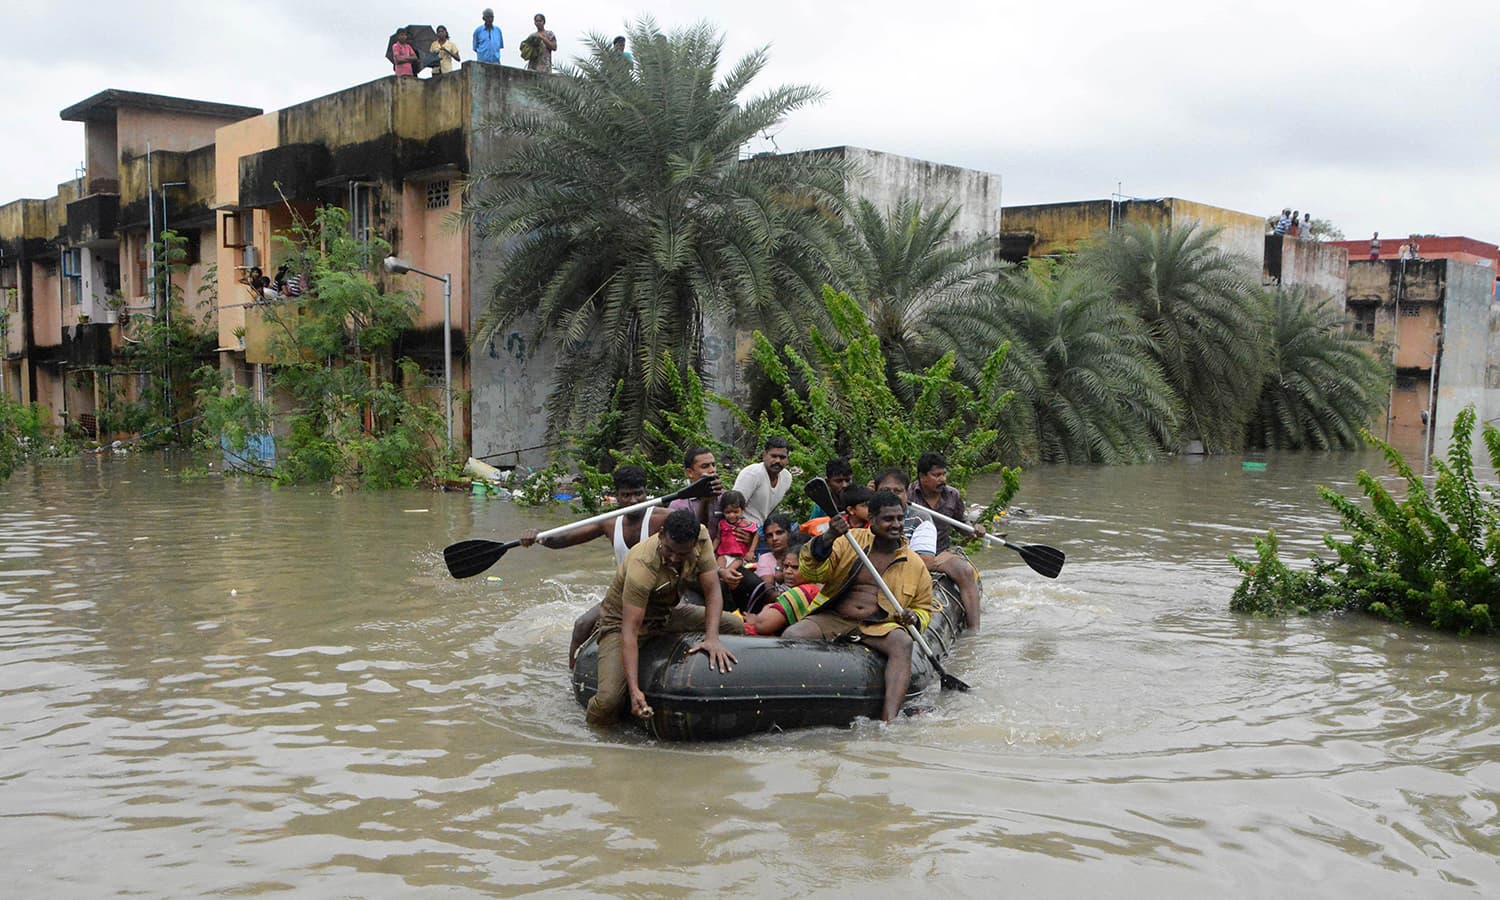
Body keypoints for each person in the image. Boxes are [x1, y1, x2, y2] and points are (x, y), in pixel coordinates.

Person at [788, 491, 938, 722]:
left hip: (879, 625)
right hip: (835, 617)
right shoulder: (850, 541)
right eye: (888, 519)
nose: (896, 524)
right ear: (873, 519)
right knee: (793, 634)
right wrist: (828, 537)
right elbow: (811, 571)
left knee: (903, 642)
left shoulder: (915, 564)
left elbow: (923, 607)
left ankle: (889, 720)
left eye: (899, 518)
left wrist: (914, 618)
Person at [586, 509, 741, 726]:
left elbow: (713, 591)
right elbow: (630, 630)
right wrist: (634, 690)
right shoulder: (643, 565)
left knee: (735, 625)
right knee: (609, 700)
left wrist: (712, 638)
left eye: (682, 554)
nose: (674, 558)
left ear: (695, 544)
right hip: (621, 623)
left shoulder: (702, 537)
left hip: (666, 615)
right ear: (660, 535)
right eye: (669, 550)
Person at [518, 466, 668, 666]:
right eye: (626, 495)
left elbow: (695, 530)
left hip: (658, 590)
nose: (633, 501)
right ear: (616, 496)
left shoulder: (663, 517)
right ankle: (573, 673)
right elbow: (565, 539)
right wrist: (539, 537)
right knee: (582, 625)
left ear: (646, 492)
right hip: (625, 593)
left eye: (638, 494)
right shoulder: (609, 523)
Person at [907, 452, 985, 631]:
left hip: (940, 553)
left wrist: (974, 530)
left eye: (943, 474)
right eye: (936, 475)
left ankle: (974, 630)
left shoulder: (952, 495)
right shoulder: (908, 494)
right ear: (922, 477)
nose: (942, 479)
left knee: (965, 571)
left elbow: (961, 525)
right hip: (912, 552)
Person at [746, 543, 821, 636]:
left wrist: (757, 618)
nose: (788, 571)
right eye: (786, 566)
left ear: (810, 568)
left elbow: (762, 625)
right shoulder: (802, 588)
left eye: (795, 567)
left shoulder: (807, 591)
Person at [732, 437, 792, 529]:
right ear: (764, 455)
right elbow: (732, 509)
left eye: (782, 457)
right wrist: (746, 530)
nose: (778, 461)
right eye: (774, 456)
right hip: (740, 529)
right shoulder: (752, 474)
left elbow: (769, 510)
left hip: (761, 530)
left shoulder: (787, 477)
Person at [714, 490, 759, 571]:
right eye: (728, 512)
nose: (732, 515)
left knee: (731, 570)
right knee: (719, 568)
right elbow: (718, 538)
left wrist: (751, 551)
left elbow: (756, 534)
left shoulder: (746, 524)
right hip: (723, 554)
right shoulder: (722, 523)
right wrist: (711, 551)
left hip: (739, 557)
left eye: (735, 512)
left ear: (742, 510)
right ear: (723, 511)